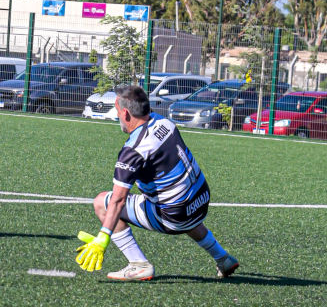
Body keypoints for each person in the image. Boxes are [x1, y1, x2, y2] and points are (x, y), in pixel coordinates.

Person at [76, 85, 239, 280]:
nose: (117, 116)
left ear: (126, 113)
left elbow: (118, 201)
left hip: (176, 216)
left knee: (102, 202)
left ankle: (138, 265)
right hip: (201, 200)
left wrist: (102, 238)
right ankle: (223, 258)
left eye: (117, 111)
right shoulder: (164, 122)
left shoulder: (133, 151)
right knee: (179, 201)